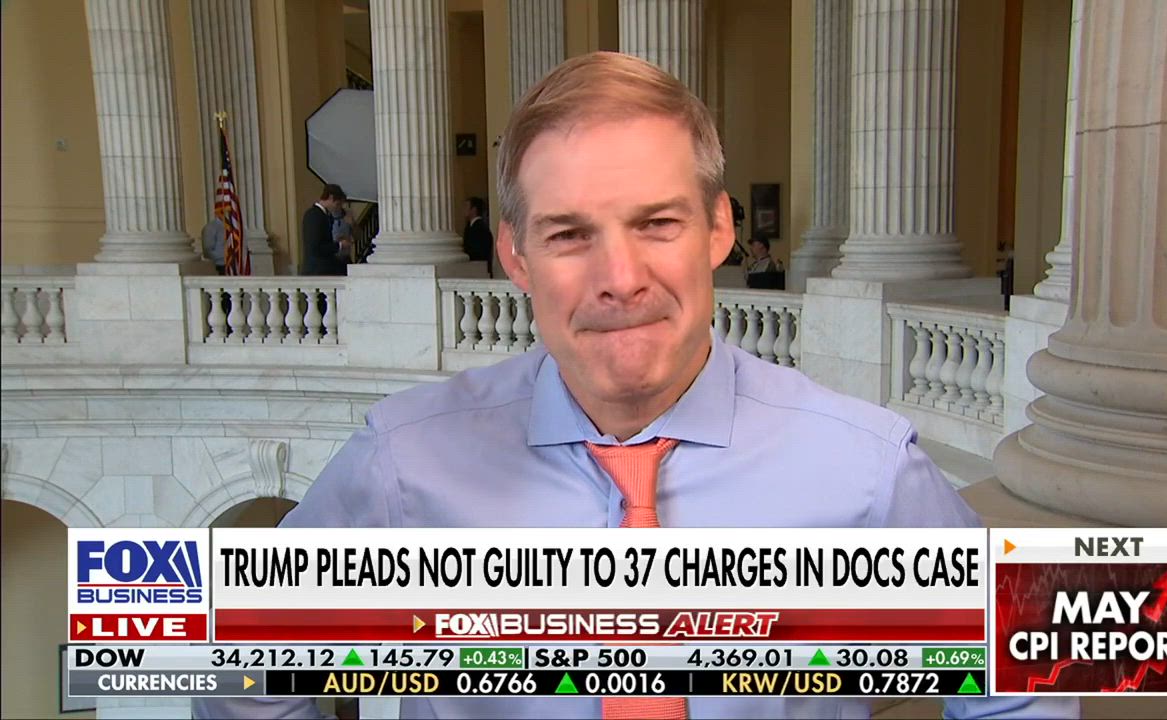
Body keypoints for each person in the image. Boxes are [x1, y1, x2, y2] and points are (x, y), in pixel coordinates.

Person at [195, 52, 1076, 720]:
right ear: (516, 257)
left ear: (719, 230)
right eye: (569, 234)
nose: (620, 279)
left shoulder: (868, 473)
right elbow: (242, 676)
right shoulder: (402, 464)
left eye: (656, 223)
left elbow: (1024, 687)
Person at [301, 184, 350, 275]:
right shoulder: (314, 215)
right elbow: (315, 247)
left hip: (323, 268)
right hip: (317, 270)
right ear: (331, 197)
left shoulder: (323, 215)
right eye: (337, 204)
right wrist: (339, 245)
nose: (338, 208)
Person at [462, 195, 494, 276]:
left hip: (478, 270)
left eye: (466, 207)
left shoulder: (480, 228)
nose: (464, 210)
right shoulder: (471, 227)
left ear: (474, 210)